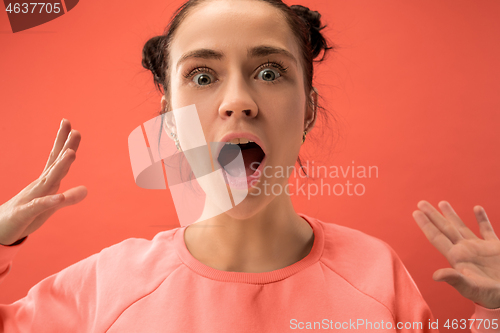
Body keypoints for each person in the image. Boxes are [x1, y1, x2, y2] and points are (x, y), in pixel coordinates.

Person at [1, 0, 500, 331]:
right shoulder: (107, 288)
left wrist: (493, 309)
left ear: (307, 107)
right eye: (202, 75)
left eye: (269, 71)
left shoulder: (376, 276)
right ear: (169, 120)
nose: (238, 101)